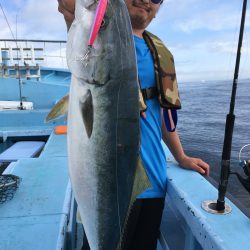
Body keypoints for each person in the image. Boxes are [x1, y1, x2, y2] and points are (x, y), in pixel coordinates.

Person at [58, 0, 210, 249]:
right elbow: (76, 18)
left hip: (153, 180)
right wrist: (72, 12)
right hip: (108, 182)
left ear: (159, 9)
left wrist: (180, 156)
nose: (145, 1)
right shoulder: (102, 36)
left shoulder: (159, 52)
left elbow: (164, 115)